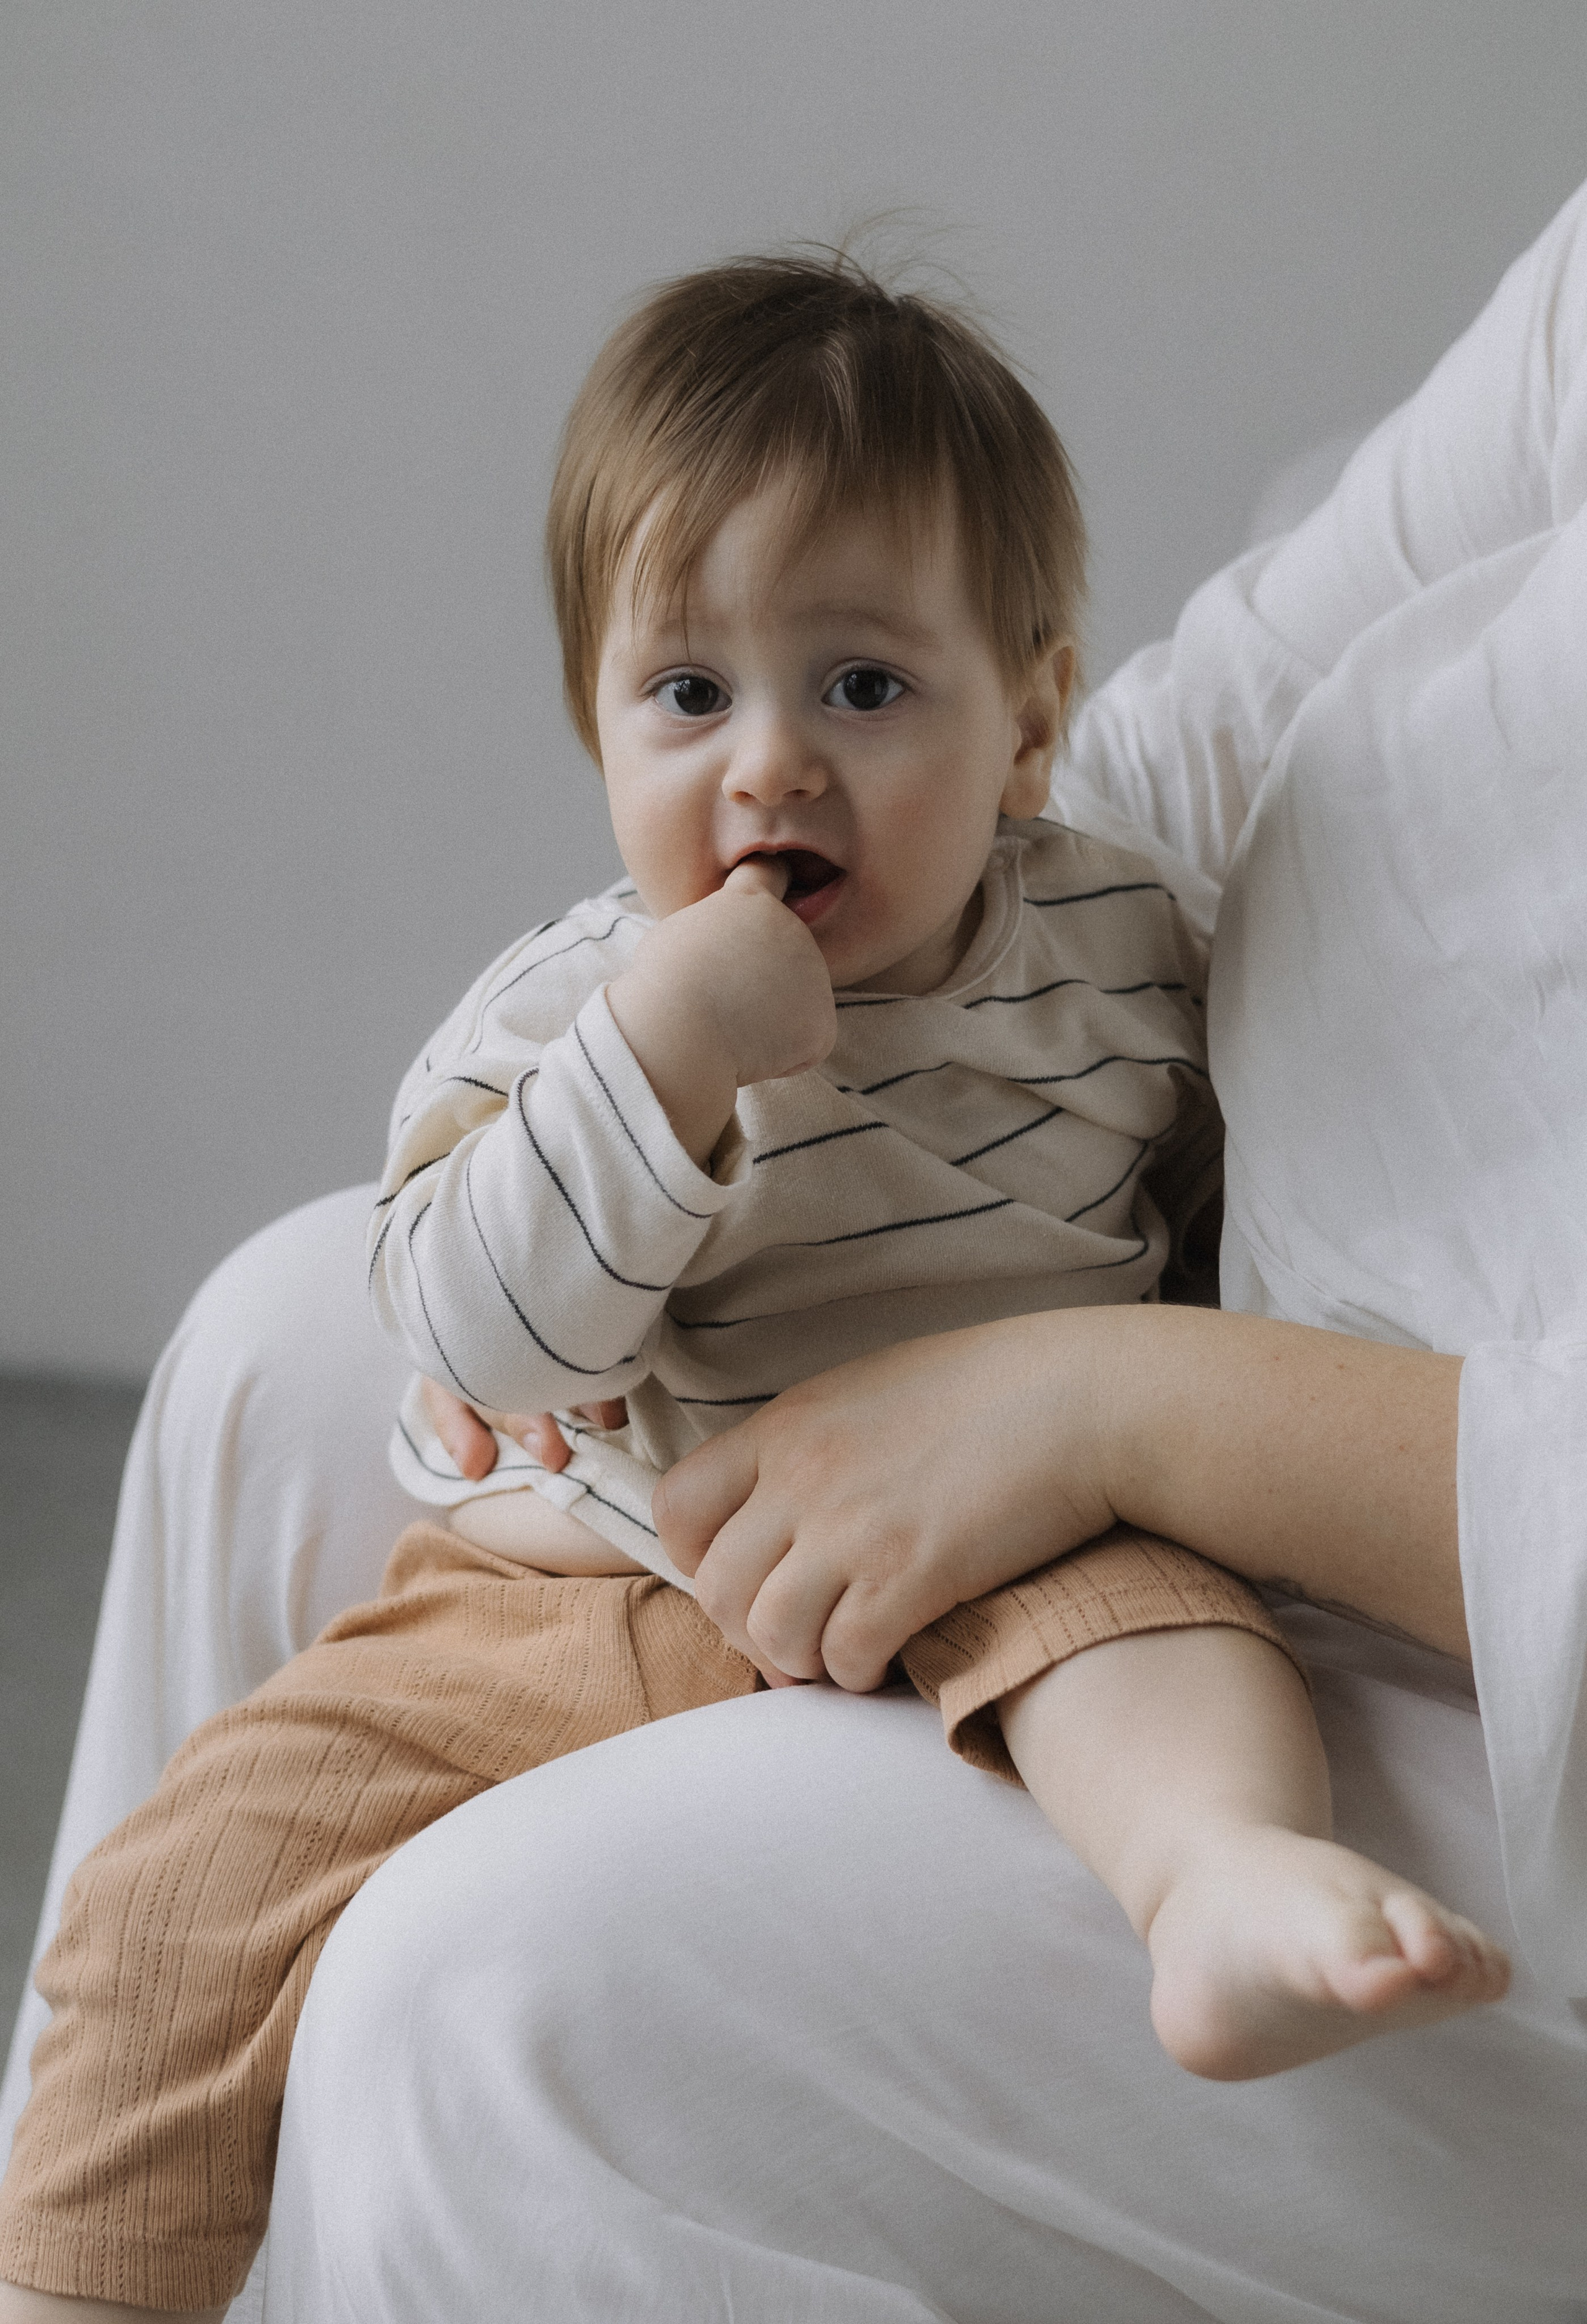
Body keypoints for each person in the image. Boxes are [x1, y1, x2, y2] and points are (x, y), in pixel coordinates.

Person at [6, 185, 1587, 2319]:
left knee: (1157, 1650)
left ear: (1021, 731)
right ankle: (89, 2279)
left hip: (1029, 1539)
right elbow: (474, 1324)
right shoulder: (570, 1010)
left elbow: (1212, 1171)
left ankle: (1219, 1883)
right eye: (686, 691)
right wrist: (652, 1073)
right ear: (593, 729)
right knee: (183, 1890)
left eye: (861, 684)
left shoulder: (1109, 942)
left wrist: (1153, 1383)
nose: (773, 762)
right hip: (603, 1560)